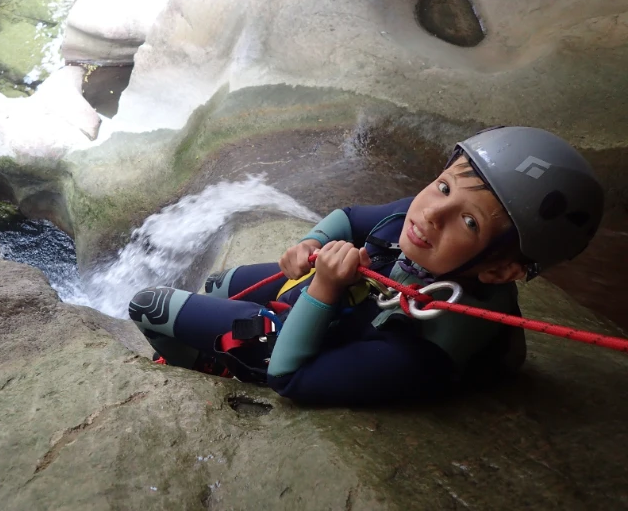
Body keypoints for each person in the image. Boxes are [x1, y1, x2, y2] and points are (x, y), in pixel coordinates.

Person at [128, 127, 604, 406]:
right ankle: (210, 346)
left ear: (500, 271)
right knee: (218, 282)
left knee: (150, 306)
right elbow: (351, 219)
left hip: (314, 337)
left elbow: (290, 376)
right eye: (443, 186)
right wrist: (312, 241)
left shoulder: (425, 353)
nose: (431, 213)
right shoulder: (420, 223)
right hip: (342, 305)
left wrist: (323, 290)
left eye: (468, 221)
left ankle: (204, 365)